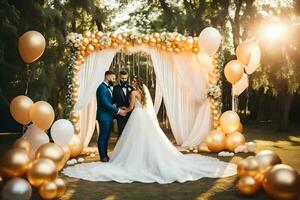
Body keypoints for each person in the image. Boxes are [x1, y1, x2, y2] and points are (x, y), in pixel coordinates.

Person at [63, 76, 236, 184]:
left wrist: (123, 111)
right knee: (147, 139)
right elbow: (145, 106)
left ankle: (136, 159)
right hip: (144, 117)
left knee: (134, 140)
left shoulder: (133, 93)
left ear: (136, 83)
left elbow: (131, 107)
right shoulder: (144, 93)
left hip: (136, 116)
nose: (131, 83)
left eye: (133, 82)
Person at [95, 70, 126, 162]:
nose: (114, 80)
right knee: (103, 137)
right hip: (103, 116)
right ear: (108, 78)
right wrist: (118, 111)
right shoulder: (102, 88)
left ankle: (105, 155)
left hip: (108, 116)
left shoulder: (107, 87)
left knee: (106, 137)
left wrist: (120, 106)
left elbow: (110, 102)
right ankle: (102, 156)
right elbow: (105, 104)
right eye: (113, 78)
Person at [113, 70, 133, 138]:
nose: (124, 80)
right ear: (119, 77)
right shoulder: (115, 88)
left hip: (130, 114)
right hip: (120, 114)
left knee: (130, 132)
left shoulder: (131, 88)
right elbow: (112, 102)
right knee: (121, 132)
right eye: (122, 78)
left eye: (125, 78)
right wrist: (117, 109)